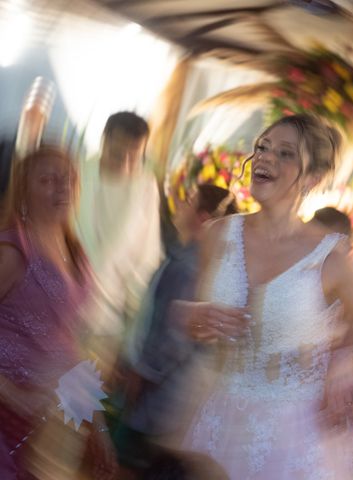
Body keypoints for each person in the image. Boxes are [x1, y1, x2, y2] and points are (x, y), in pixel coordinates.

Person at [179, 114, 353, 478]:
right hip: (220, 422)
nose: (266, 158)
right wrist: (194, 319)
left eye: (286, 154)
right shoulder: (216, 236)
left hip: (297, 439)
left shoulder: (330, 259)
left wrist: (341, 364)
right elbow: (198, 324)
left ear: (312, 179)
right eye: (263, 148)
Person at [0, 146, 117, 479]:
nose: (62, 188)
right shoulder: (12, 250)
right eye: (48, 180)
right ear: (25, 189)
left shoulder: (74, 249)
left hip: (49, 421)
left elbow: (71, 343)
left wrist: (98, 425)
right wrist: (15, 397)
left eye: (68, 179)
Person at [112, 185, 237, 475]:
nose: (181, 204)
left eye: (190, 200)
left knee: (126, 468)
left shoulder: (188, 266)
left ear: (203, 218)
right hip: (173, 402)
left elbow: (171, 338)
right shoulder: (203, 264)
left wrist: (139, 374)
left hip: (160, 402)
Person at [75, 112, 162, 370]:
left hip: (109, 317)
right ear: (104, 141)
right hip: (58, 306)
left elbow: (148, 253)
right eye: (117, 152)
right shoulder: (75, 173)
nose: (125, 161)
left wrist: (137, 321)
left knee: (83, 403)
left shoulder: (146, 186)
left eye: (134, 155)